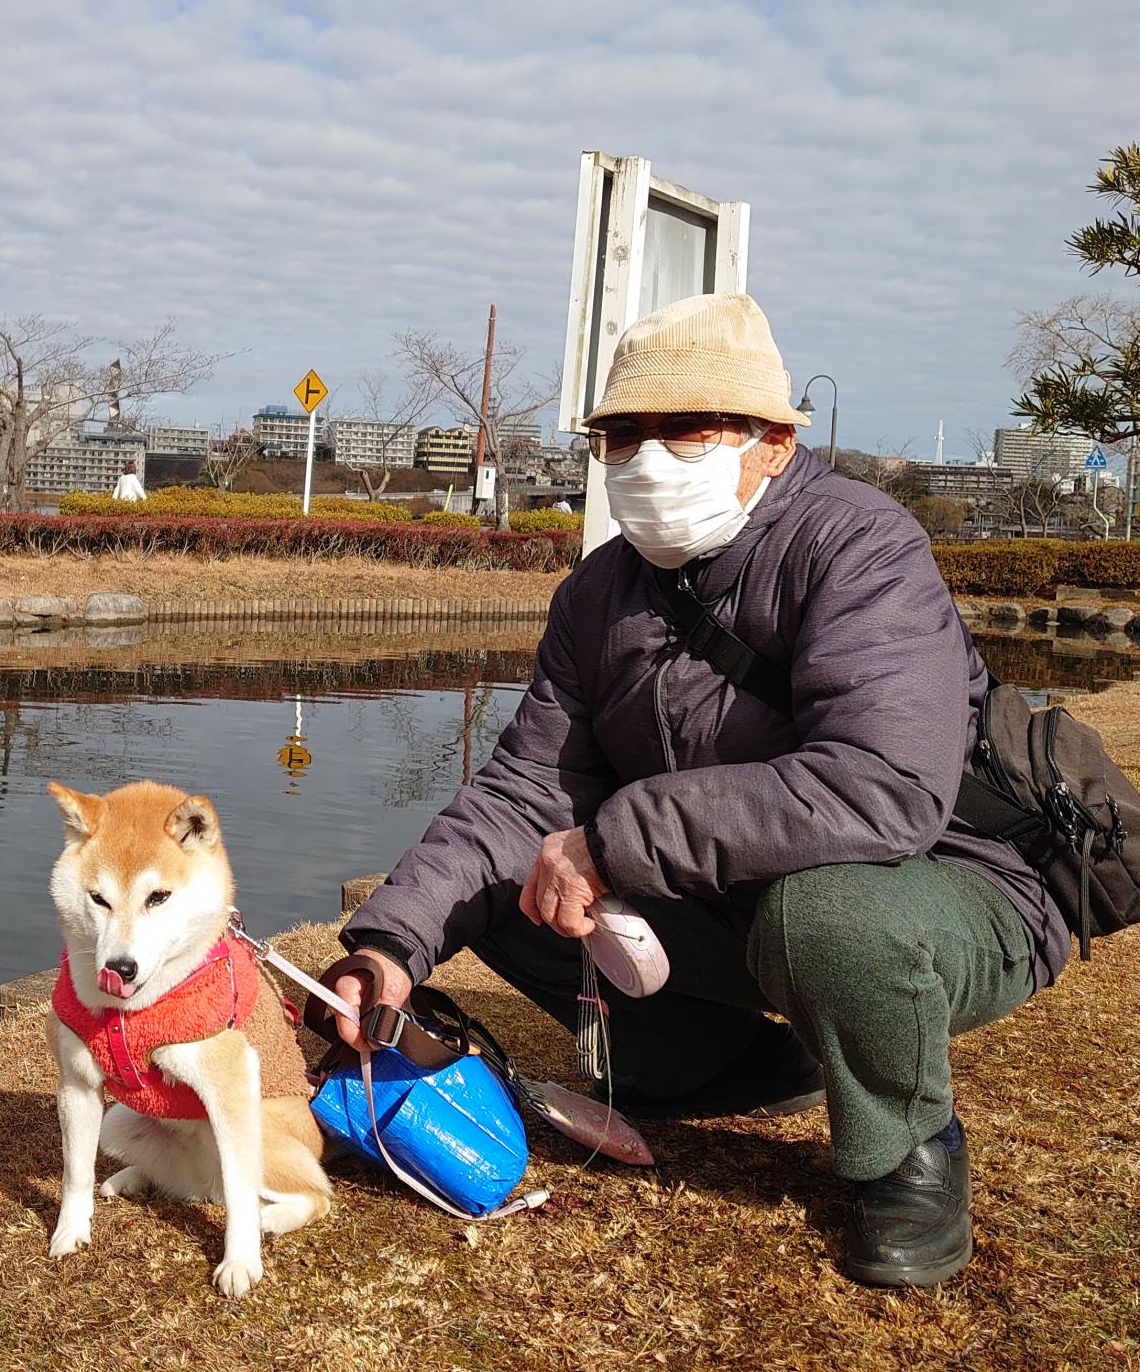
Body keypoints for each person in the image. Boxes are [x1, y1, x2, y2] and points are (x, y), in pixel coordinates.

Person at [327, 293, 1068, 1288]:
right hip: (745, 893)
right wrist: (386, 945)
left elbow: (881, 787)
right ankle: (725, 1067)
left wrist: (610, 841)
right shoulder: (597, 591)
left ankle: (905, 1151)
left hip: (942, 891)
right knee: (505, 885)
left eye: (682, 428)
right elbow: (519, 792)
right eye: (618, 436)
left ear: (770, 439)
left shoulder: (859, 546)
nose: (643, 459)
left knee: (822, 914)